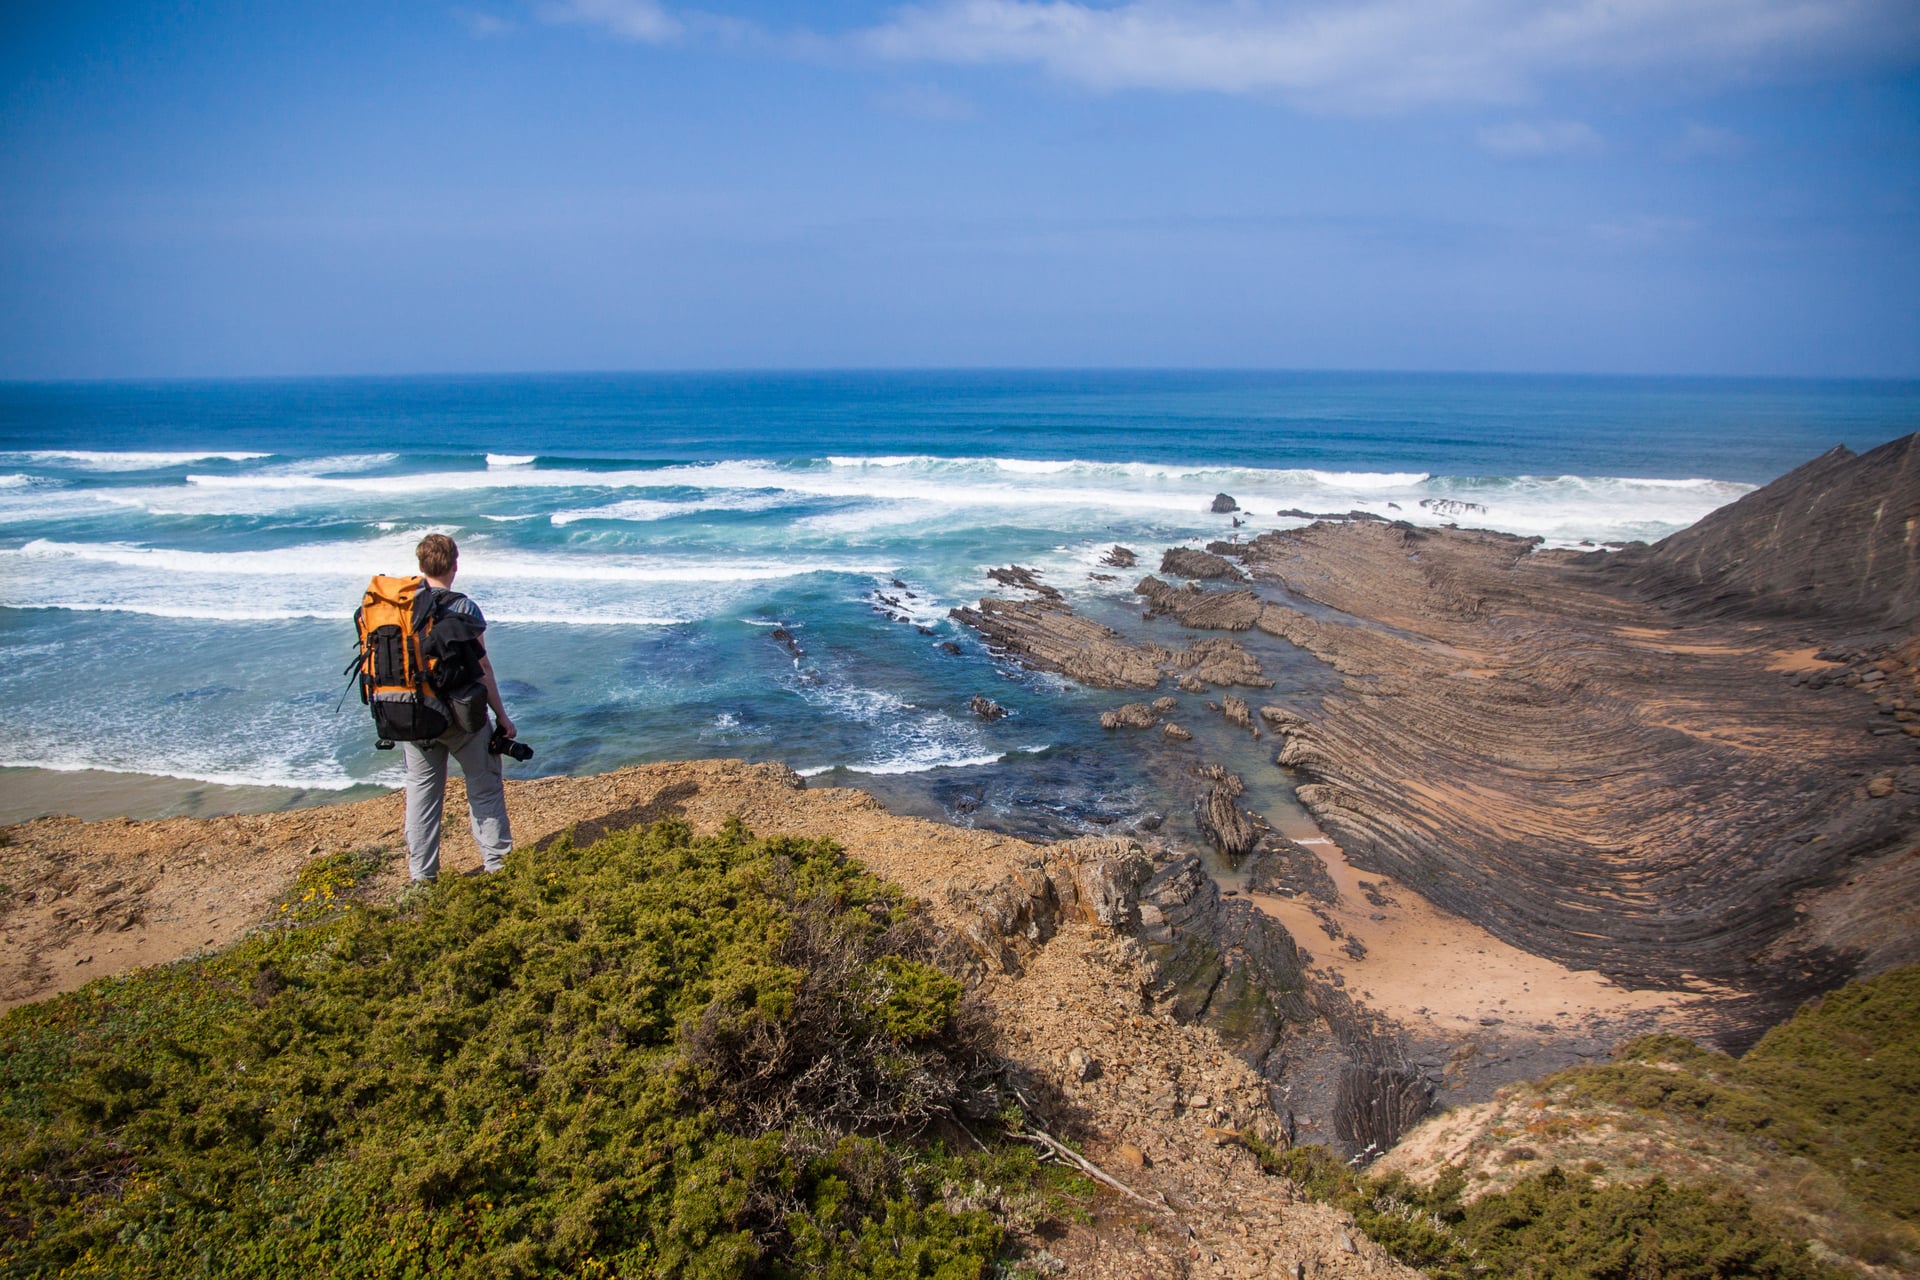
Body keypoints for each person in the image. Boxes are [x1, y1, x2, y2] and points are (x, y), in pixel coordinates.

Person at [402, 532, 517, 882]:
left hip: (414, 717)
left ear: (421, 566)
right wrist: (501, 716)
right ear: (455, 565)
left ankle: (422, 878)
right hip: (461, 717)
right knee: (484, 787)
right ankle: (497, 867)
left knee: (421, 798)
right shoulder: (463, 607)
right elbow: (483, 669)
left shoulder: (402, 606)